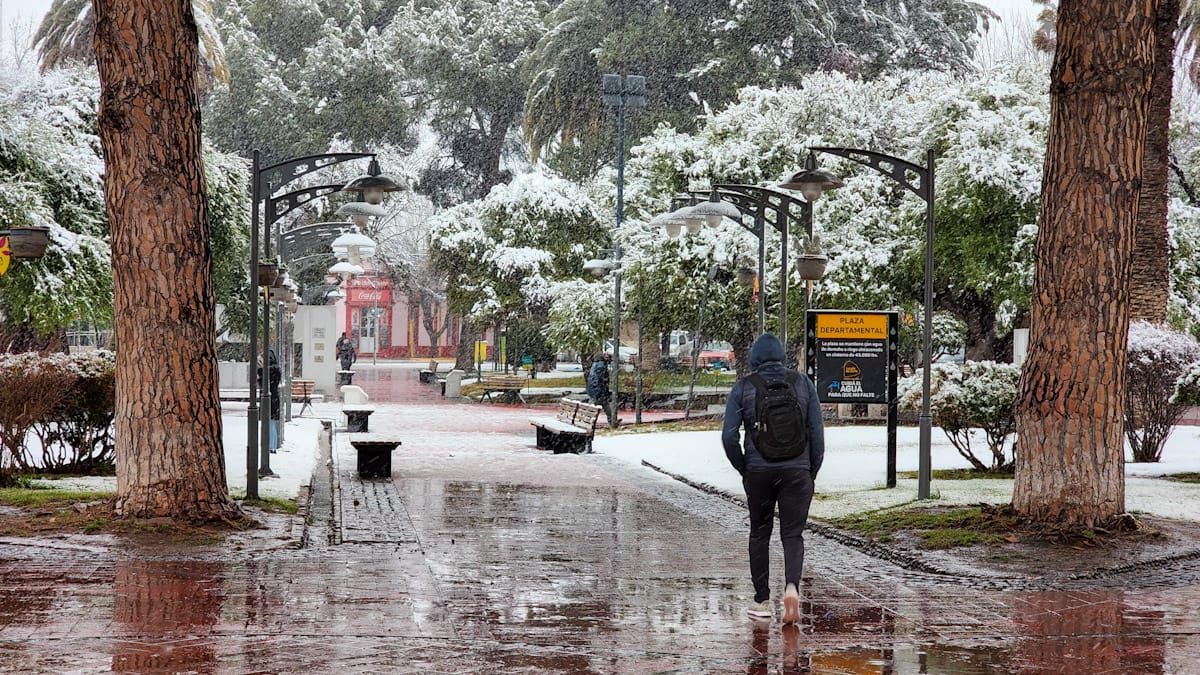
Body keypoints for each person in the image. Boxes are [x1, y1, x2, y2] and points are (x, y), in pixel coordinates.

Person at [722, 333, 824, 624]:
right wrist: (809, 471)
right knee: (792, 534)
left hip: (759, 472)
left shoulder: (743, 388)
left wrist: (744, 468)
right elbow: (817, 435)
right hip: (797, 472)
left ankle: (762, 599)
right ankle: (792, 587)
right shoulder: (802, 384)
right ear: (782, 357)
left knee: (760, 533)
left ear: (754, 359)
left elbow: (729, 436)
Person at [257, 350, 283, 453]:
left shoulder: (265, 371)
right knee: (271, 422)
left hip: (268, 398)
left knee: (268, 422)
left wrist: (261, 370)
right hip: (274, 397)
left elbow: (261, 382)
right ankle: (272, 445)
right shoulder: (276, 369)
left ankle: (270, 446)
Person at [586, 353, 613, 425]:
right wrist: (603, 390)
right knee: (603, 405)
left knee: (598, 405)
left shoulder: (595, 364)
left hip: (593, 389)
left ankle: (588, 421)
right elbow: (601, 379)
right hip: (598, 390)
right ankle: (611, 421)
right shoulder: (601, 366)